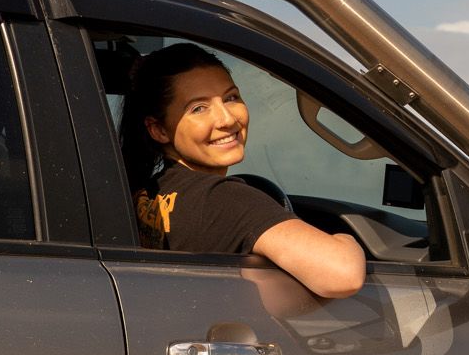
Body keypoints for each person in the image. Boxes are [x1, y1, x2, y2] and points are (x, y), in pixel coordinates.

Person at [119, 43, 366, 299]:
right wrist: (346, 240)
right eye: (199, 108)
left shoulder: (148, 191)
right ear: (159, 130)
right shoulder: (222, 199)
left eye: (231, 98)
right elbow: (343, 275)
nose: (227, 119)